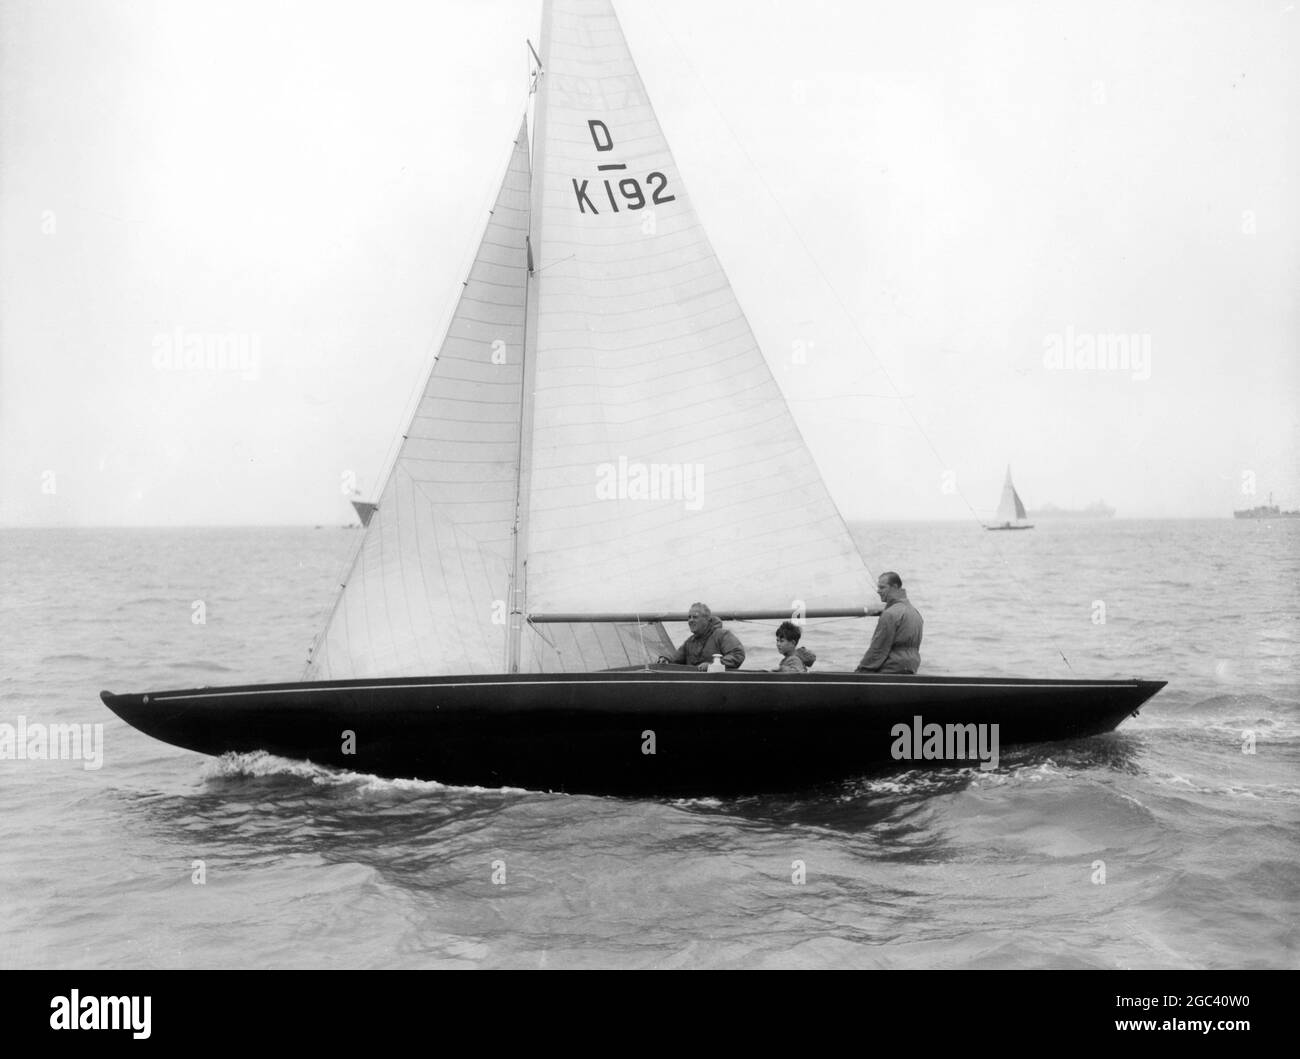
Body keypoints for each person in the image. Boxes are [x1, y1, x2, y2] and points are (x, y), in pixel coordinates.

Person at [855, 571, 923, 673]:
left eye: (882, 587)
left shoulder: (890, 614)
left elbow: (878, 649)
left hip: (891, 668)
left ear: (894, 587)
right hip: (911, 667)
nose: (878, 591)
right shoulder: (915, 613)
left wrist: (860, 671)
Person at [657, 603, 746, 671]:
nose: (690, 620)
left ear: (707, 620)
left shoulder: (722, 635)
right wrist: (666, 660)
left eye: (695, 617)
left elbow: (738, 654)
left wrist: (713, 665)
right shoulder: (689, 642)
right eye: (689, 617)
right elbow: (675, 659)